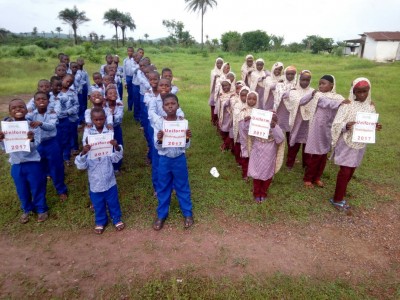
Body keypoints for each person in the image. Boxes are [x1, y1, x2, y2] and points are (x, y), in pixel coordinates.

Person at [330, 78, 382, 212]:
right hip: (347, 141)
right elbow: (336, 124)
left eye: (365, 91)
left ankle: (341, 191)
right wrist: (345, 125)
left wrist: (375, 126)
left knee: (352, 169)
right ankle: (337, 199)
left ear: (369, 91)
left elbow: (369, 122)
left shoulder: (370, 106)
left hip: (360, 142)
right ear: (353, 91)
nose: (362, 95)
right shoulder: (347, 105)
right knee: (345, 170)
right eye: (358, 92)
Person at [75, 107, 125, 234]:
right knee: (98, 204)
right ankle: (101, 221)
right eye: (96, 119)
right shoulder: (88, 134)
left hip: (110, 180)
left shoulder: (108, 135)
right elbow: (81, 166)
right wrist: (83, 152)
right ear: (92, 120)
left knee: (113, 201)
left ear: (105, 119)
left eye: (101, 119)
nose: (98, 122)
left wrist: (116, 146)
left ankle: (116, 218)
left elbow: (116, 158)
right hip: (95, 182)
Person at [0, 99, 48, 223]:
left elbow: (37, 144)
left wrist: (30, 140)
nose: (18, 110)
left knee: (37, 186)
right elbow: (5, 147)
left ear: (26, 110)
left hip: (33, 163)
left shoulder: (32, 125)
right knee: (22, 188)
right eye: (14, 108)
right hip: (16, 164)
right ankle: (27, 209)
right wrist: (1, 140)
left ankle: (41, 209)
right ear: (10, 112)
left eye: (21, 107)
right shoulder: (6, 128)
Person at [152, 93, 193, 231]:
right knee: (163, 187)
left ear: (178, 105)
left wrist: (187, 138)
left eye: (173, 104)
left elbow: (185, 146)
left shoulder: (182, 122)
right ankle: (161, 215)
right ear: (163, 107)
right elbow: (157, 146)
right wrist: (160, 138)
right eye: (167, 104)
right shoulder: (159, 123)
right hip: (164, 160)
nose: (170, 106)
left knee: (182, 186)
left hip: (179, 159)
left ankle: (187, 213)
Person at [300, 75, 349, 188]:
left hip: (329, 129)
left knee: (323, 156)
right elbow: (325, 102)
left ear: (332, 85)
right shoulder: (318, 95)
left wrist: (365, 104)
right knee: (316, 155)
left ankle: (317, 177)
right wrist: (340, 103)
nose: (320, 85)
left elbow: (347, 106)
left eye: (324, 83)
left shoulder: (338, 97)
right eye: (319, 83)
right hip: (317, 129)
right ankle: (308, 178)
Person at [27, 92, 68, 202]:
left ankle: (61, 190)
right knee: (39, 169)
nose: (41, 101)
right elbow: (21, 120)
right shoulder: (30, 114)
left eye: (44, 99)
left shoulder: (52, 113)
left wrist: (40, 123)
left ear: (48, 101)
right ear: (34, 102)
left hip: (51, 143)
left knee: (56, 167)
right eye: (38, 99)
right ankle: (41, 192)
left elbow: (51, 126)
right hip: (37, 145)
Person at [246, 97, 285, 203]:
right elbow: (248, 132)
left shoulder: (276, 130)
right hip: (257, 151)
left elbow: (280, 139)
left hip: (269, 154)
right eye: (269, 119)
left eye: (274, 120)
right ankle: (256, 192)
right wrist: (250, 121)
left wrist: (274, 127)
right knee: (256, 173)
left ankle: (263, 192)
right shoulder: (258, 129)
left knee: (267, 174)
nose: (271, 122)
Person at [284, 70, 314, 170]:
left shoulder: (312, 91)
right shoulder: (293, 91)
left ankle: (306, 164)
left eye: (307, 80)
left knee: (307, 143)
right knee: (294, 143)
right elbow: (300, 102)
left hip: (308, 122)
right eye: (303, 80)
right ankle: (290, 163)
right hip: (297, 121)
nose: (305, 82)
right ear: (299, 79)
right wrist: (312, 95)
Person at [238, 91, 258, 181]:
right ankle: (245, 174)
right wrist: (248, 120)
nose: (251, 101)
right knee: (245, 156)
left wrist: (253, 118)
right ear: (246, 99)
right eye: (249, 98)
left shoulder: (259, 112)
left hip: (255, 140)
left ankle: (254, 173)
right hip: (245, 139)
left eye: (254, 99)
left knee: (255, 157)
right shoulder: (243, 111)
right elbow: (242, 127)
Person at [275, 66, 297, 144]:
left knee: (290, 129)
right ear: (285, 74)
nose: (290, 76)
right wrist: (291, 92)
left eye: (292, 74)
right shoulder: (280, 84)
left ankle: (290, 146)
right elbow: (279, 96)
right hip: (281, 109)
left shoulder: (297, 85)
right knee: (279, 128)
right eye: (288, 74)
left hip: (291, 111)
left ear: (295, 75)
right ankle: (278, 147)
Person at [216, 78, 235, 151]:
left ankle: (226, 145)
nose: (225, 87)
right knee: (224, 130)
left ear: (230, 86)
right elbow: (223, 104)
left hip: (231, 117)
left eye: (227, 85)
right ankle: (226, 143)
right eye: (223, 86)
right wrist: (229, 99)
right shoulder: (222, 95)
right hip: (224, 116)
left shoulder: (234, 94)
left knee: (231, 131)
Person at [208, 57, 224, 126]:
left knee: (220, 105)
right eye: (218, 63)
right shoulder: (213, 71)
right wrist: (215, 76)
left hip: (221, 91)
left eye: (221, 63)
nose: (219, 64)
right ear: (216, 63)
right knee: (213, 105)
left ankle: (219, 120)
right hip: (214, 91)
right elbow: (212, 78)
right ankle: (213, 119)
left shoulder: (224, 71)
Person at [123, 47, 135, 111]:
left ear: (133, 52)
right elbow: (124, 72)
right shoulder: (125, 60)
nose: (130, 52)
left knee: (135, 93)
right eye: (128, 51)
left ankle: (135, 107)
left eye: (131, 51)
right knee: (130, 93)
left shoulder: (135, 60)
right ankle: (130, 108)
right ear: (127, 52)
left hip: (135, 78)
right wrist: (125, 81)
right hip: (128, 78)